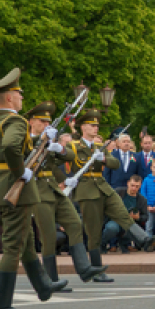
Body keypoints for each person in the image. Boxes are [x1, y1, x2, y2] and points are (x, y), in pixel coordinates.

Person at [0, 68, 68, 309]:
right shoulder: (15, 120)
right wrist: (21, 172)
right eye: (19, 93)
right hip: (14, 187)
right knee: (13, 247)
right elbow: (11, 146)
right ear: (9, 97)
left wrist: (40, 139)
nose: (21, 97)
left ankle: (43, 285)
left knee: (26, 239)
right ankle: (0, 304)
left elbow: (6, 146)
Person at [70, 109, 155, 279]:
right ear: (83, 127)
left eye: (97, 125)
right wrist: (65, 179)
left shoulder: (100, 147)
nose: (96, 128)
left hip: (104, 188)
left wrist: (103, 159)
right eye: (92, 125)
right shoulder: (74, 146)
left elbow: (114, 163)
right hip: (86, 190)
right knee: (94, 231)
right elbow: (60, 159)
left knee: (122, 213)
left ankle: (144, 239)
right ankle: (96, 270)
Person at [26, 101, 105, 286]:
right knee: (48, 236)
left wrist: (59, 147)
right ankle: (50, 279)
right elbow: (23, 154)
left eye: (48, 122)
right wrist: (41, 141)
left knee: (75, 223)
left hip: (53, 189)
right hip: (37, 191)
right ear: (31, 121)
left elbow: (69, 156)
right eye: (41, 121)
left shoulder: (50, 138)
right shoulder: (25, 138)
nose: (46, 125)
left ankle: (84, 268)